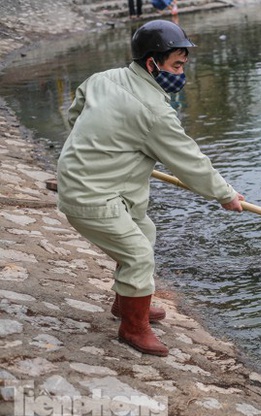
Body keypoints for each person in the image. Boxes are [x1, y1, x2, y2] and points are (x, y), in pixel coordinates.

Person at [56, 20, 244, 357]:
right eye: (176, 65)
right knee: (138, 254)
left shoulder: (102, 79)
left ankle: (126, 304)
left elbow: (75, 114)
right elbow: (189, 161)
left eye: (183, 65)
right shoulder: (154, 111)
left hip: (87, 177)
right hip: (90, 193)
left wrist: (106, 143)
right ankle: (133, 328)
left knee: (144, 232)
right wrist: (225, 194)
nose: (181, 73)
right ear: (151, 63)